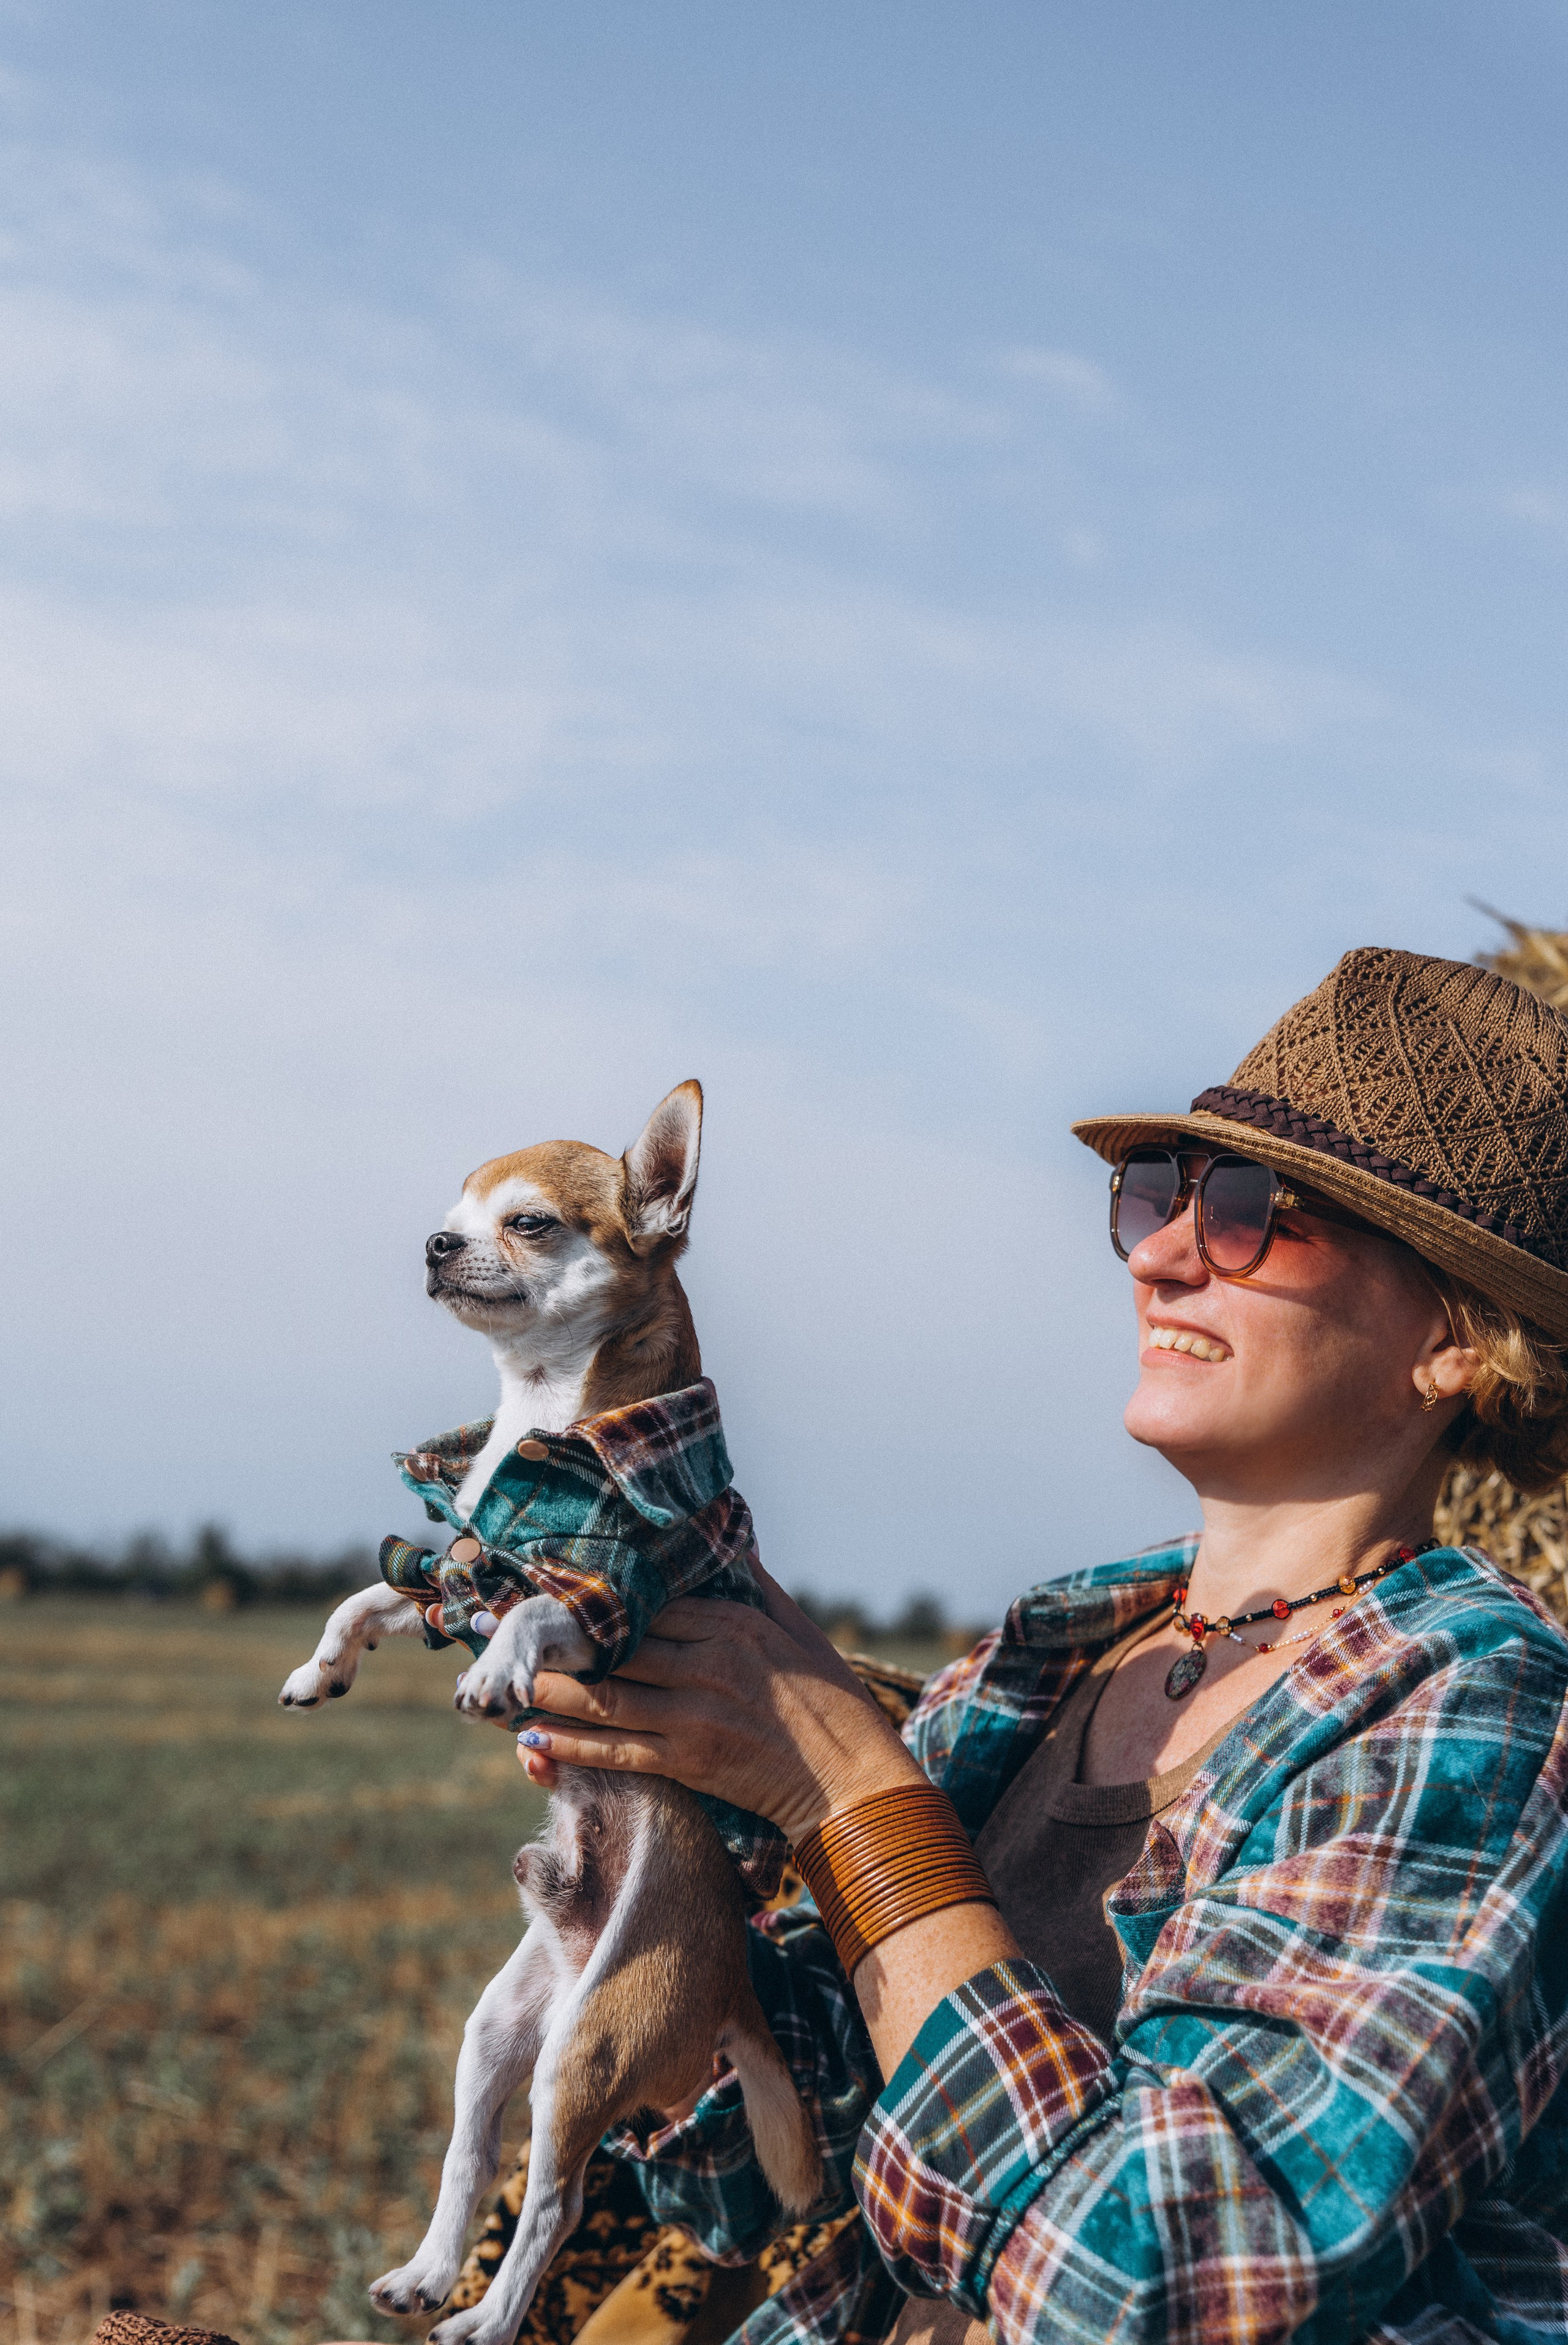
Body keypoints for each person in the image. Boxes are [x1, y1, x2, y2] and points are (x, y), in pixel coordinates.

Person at [514, 946, 1568, 2345]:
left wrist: (853, 1799)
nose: (1155, 1254)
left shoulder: (1473, 1704)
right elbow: (766, 2183)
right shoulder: (1053, 1652)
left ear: (1453, 1339)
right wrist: (659, 1872)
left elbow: (1171, 2283)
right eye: (1154, 1197)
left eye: (1251, 1214)